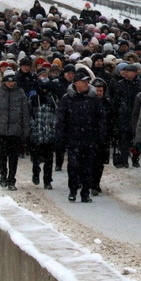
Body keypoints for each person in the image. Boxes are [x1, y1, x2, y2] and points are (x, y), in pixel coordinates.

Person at [56, 71, 105, 203]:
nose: (86, 84)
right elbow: (61, 120)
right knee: (73, 166)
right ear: (76, 83)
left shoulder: (93, 99)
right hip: (73, 139)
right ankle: (73, 190)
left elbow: (101, 118)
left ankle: (85, 193)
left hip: (89, 138)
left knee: (88, 167)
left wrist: (100, 135)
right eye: (83, 81)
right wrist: (61, 136)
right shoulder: (67, 99)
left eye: (87, 82)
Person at [0, 70, 30, 190]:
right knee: (1, 156)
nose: (11, 84)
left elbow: (25, 113)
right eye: (9, 81)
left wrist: (25, 130)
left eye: (13, 81)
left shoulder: (20, 93)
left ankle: (11, 179)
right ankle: (3, 174)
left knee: (13, 157)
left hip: (15, 131)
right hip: (1, 130)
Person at [29, 74, 59, 189]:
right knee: (36, 159)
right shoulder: (34, 99)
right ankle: (36, 173)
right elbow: (30, 115)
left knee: (49, 160)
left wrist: (54, 128)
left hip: (49, 134)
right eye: (42, 88)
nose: (45, 91)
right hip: (37, 134)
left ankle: (47, 180)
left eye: (47, 88)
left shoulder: (54, 99)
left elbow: (57, 114)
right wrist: (33, 127)